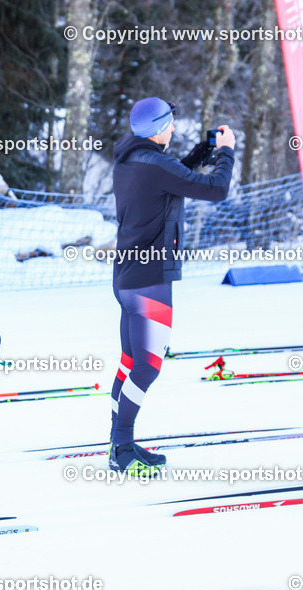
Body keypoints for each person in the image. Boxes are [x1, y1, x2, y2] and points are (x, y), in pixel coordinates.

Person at [109, 97, 236, 473]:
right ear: (158, 129)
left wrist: (203, 150)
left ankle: (120, 444)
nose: (174, 128)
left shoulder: (131, 159)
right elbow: (216, 189)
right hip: (149, 281)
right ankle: (121, 447)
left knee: (131, 363)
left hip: (127, 277)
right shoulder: (154, 165)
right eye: (170, 123)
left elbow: (173, 175)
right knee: (147, 366)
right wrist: (226, 152)